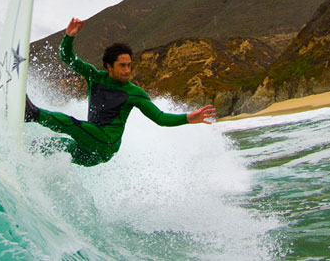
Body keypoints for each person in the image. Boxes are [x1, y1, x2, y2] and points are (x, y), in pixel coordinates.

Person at [24, 17, 216, 166]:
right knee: (50, 146)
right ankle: (23, 157)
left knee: (70, 124)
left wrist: (188, 118)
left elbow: (160, 118)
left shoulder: (134, 93)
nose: (127, 70)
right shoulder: (94, 77)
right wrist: (69, 36)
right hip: (89, 148)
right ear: (109, 66)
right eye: (122, 66)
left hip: (105, 144)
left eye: (129, 65)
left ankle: (32, 114)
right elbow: (67, 57)